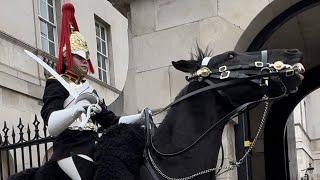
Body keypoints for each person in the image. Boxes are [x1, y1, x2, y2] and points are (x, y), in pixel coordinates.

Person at [40, 3, 142, 179]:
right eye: (79, 57)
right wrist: (75, 110)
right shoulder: (56, 84)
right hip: (69, 150)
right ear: (67, 57)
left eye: (86, 56)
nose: (85, 61)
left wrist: (139, 117)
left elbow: (112, 121)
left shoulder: (90, 90)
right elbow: (52, 126)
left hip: (92, 147)